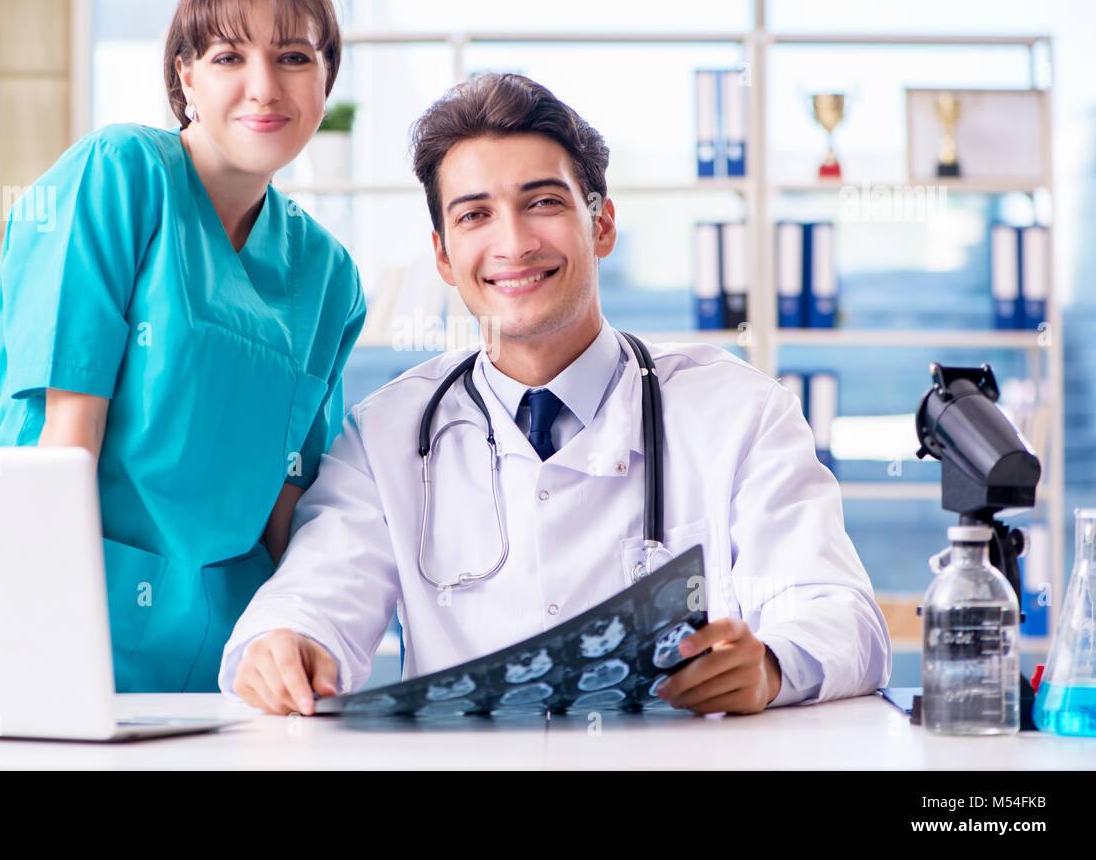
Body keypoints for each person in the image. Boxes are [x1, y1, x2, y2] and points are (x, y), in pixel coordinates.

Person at [220, 73, 891, 715]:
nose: (512, 243)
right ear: (445, 257)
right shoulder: (388, 434)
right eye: (475, 214)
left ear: (600, 225)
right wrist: (286, 644)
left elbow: (840, 611)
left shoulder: (739, 411)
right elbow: (311, 598)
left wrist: (772, 662)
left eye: (543, 202)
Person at [0, 0, 365, 692]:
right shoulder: (119, 176)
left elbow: (289, 502)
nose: (265, 87)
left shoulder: (327, 274)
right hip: (77, 631)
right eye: (229, 56)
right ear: (185, 76)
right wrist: (41, 648)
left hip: (234, 661)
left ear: (326, 81)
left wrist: (301, 638)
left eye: (294, 56)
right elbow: (66, 435)